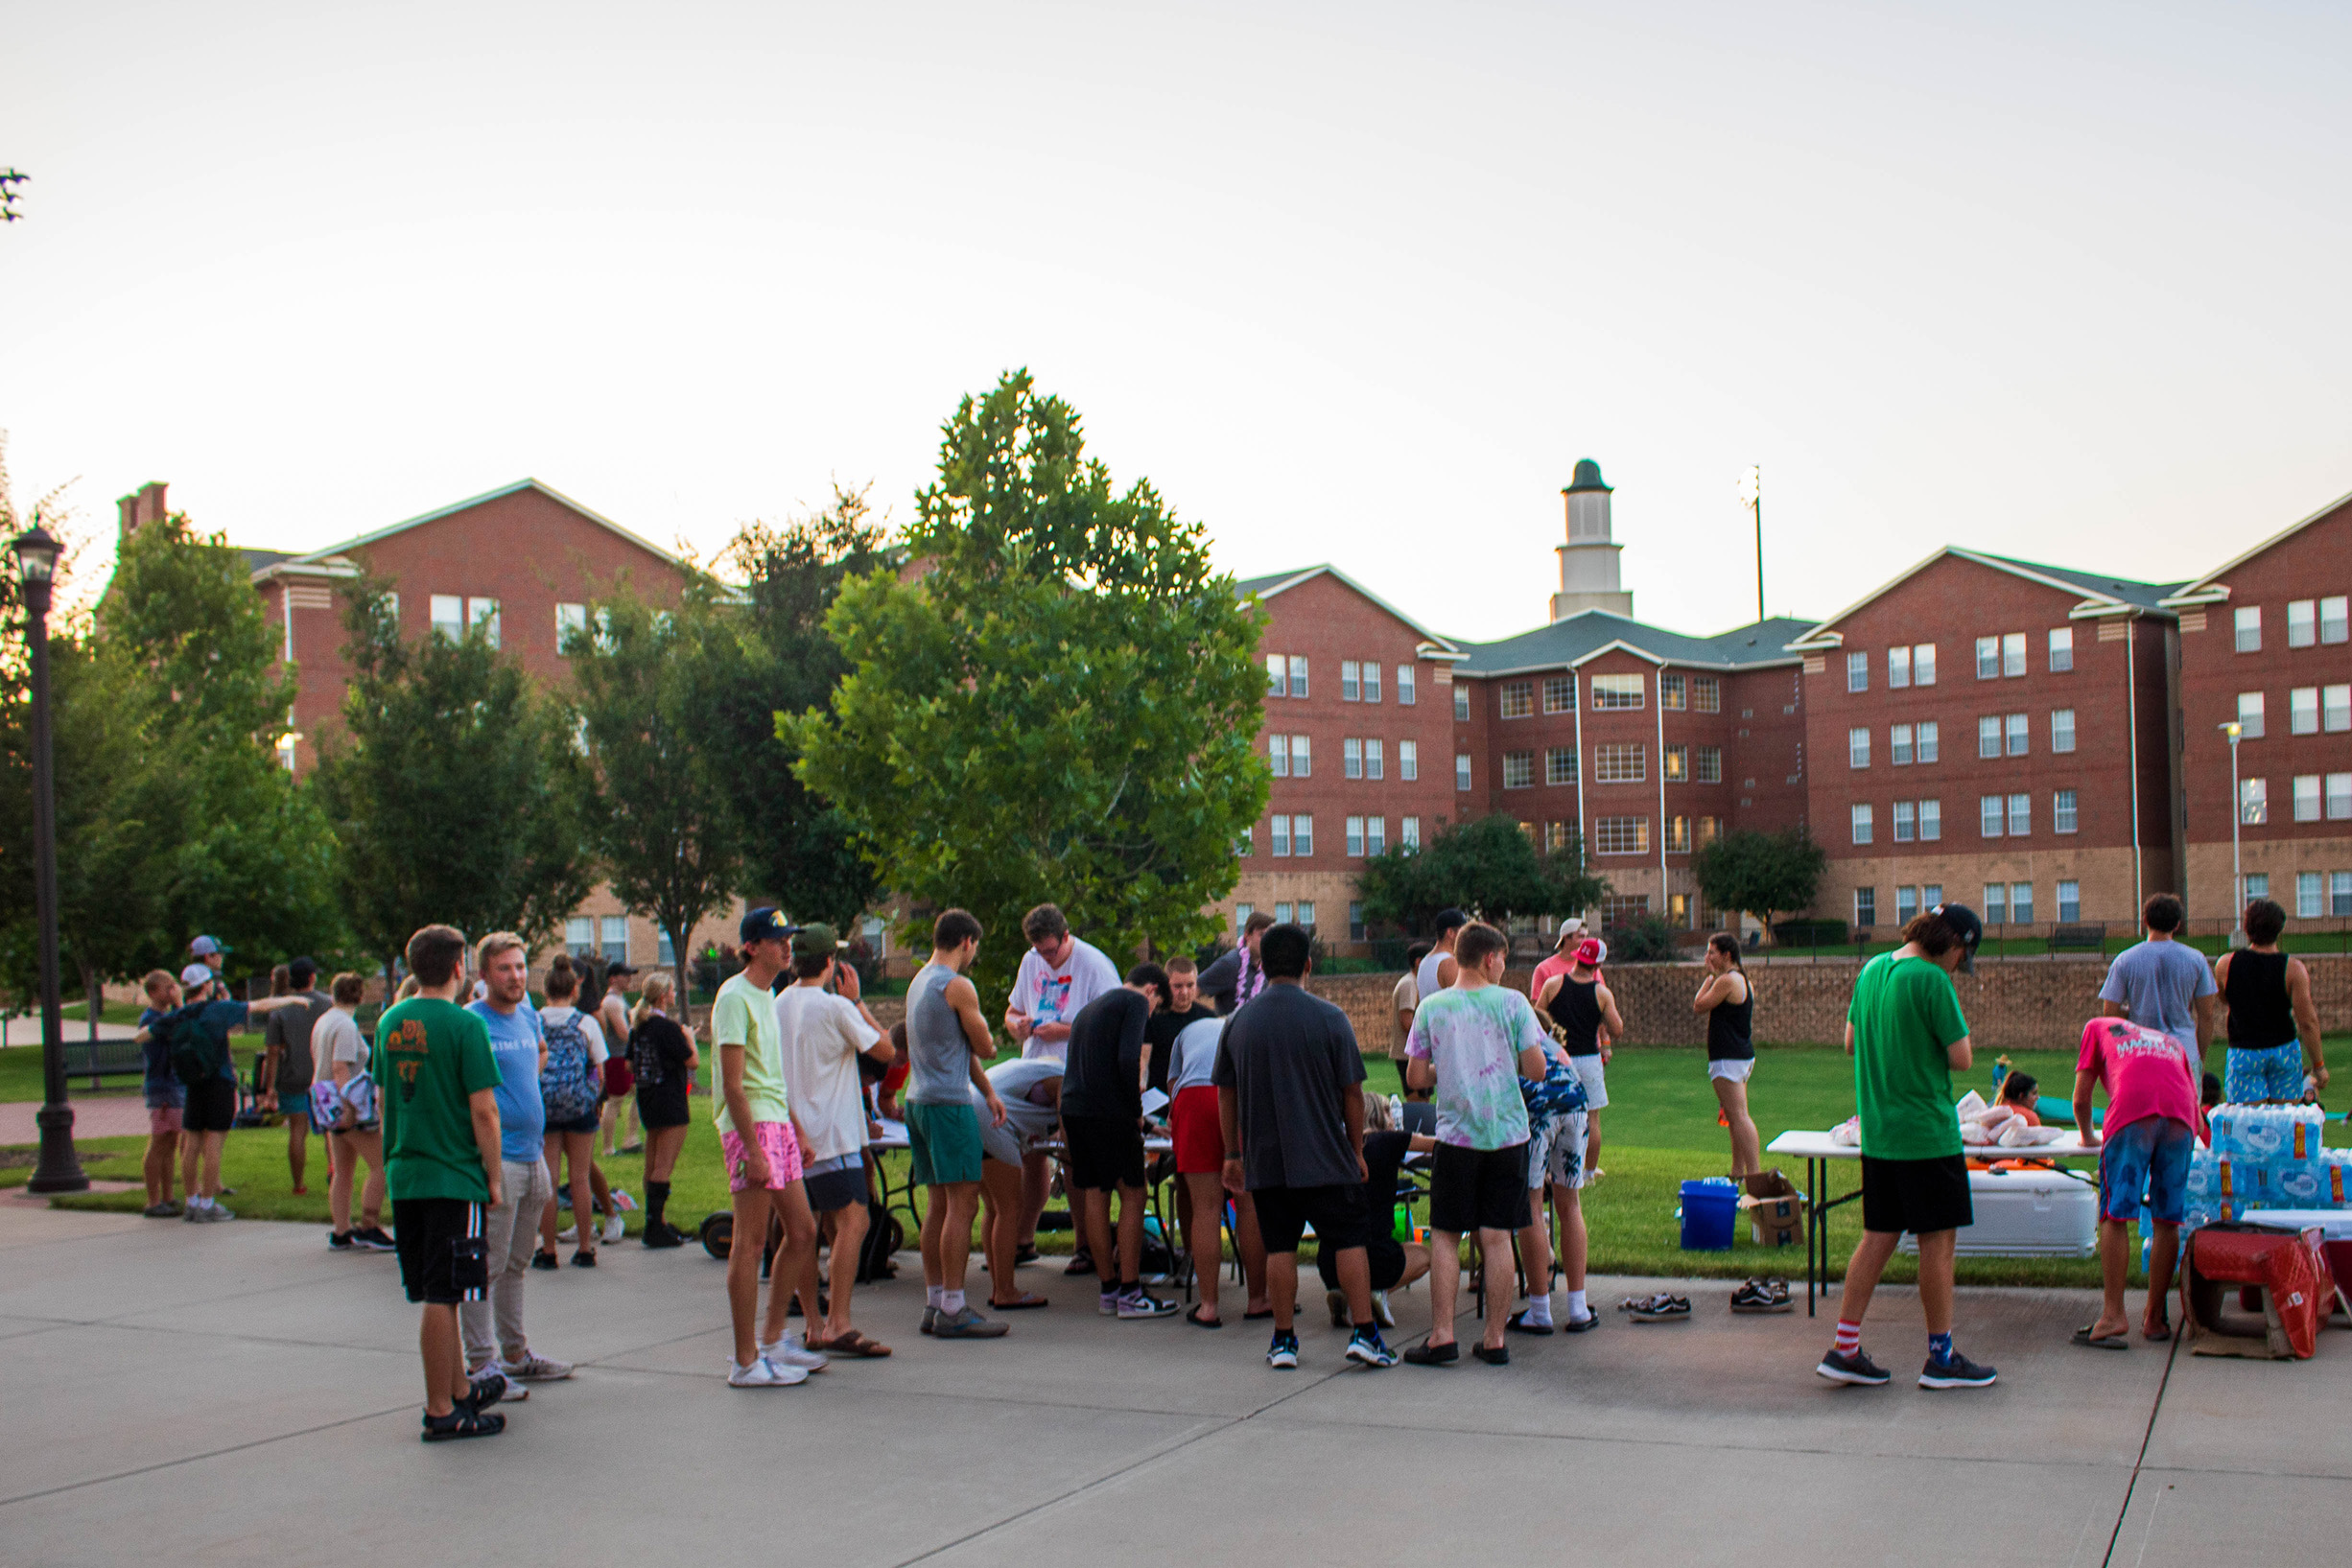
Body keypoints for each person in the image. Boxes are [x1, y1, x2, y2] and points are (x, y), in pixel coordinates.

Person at [1817, 902, 1996, 1391]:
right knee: (1938, 1245)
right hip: (1926, 1134)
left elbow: (1852, 1042)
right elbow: (1962, 1059)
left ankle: (1845, 1347)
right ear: (1954, 944)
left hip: (1879, 1133)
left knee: (1878, 1237)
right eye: (1962, 956)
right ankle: (1941, 1356)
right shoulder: (1932, 980)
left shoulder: (1873, 970)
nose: (1958, 967)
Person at [1215, 922, 1396, 1370]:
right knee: (1349, 1241)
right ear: (1309, 965)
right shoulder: (1330, 1017)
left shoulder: (1238, 1022)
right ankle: (1365, 1333)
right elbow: (1352, 1093)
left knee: (1280, 1248)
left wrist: (1233, 1154)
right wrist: (1356, 1150)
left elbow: (1226, 1093)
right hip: (1326, 1156)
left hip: (1266, 1159)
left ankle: (1283, 1341)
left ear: (1261, 964)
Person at [376, 924, 509, 1440]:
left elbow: (387, 1097)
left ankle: (459, 1389)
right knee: (443, 1292)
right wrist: (493, 1178)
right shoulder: (464, 1027)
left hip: (406, 1170)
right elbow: (485, 1111)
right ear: (460, 969)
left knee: (443, 1292)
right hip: (453, 1174)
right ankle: (440, 1409)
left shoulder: (390, 1021)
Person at [1401, 921, 1547, 1367]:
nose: (1504, 966)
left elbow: (1415, 1077)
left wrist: (1447, 1068)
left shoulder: (1433, 1008)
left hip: (1456, 1136)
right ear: (1490, 958)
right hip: (1506, 1134)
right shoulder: (1514, 1003)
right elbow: (1537, 1069)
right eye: (1503, 958)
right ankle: (1495, 1339)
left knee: (1446, 1235)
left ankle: (1442, 1336)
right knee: (1498, 1236)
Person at [716, 907, 828, 1385]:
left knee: (802, 1232)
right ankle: (745, 1360)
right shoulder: (733, 998)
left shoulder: (770, 996)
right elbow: (734, 1084)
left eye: (790, 939)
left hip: (775, 1122)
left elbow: (773, 1077)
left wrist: (795, 1128)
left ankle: (774, 1337)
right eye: (778, 939)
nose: (788, 947)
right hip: (750, 1128)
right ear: (752, 946)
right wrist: (754, 1151)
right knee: (751, 1241)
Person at [777, 922, 896, 1358]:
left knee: (809, 1232)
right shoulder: (835, 1008)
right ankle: (838, 1323)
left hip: (793, 1135)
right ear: (830, 962)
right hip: (834, 1135)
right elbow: (885, 1051)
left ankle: (812, 1323)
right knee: (854, 1222)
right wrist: (859, 1002)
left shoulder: (778, 1004)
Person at [461, 935, 574, 1392]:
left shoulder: (528, 1013)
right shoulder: (471, 1023)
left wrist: (526, 1083)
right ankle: (482, 1365)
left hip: (534, 1156)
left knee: (517, 1263)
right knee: (486, 1265)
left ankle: (515, 1353)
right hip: (499, 1160)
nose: (515, 976)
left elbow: (539, 1052)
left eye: (521, 966)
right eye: (504, 969)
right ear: (483, 975)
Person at [132, 963, 311, 1223]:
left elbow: (142, 1036)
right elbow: (259, 1006)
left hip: (193, 1084)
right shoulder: (219, 1010)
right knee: (214, 1143)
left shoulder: (180, 1015)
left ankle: (191, 1201)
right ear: (206, 986)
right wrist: (292, 999)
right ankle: (207, 1202)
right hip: (219, 1082)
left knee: (191, 1143)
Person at [909, 908, 1013, 1339]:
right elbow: (985, 1043)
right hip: (949, 1106)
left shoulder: (919, 982)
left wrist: (987, 1091)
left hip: (918, 1100)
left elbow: (955, 1046)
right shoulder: (957, 985)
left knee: (938, 1203)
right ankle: (954, 1306)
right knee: (964, 1204)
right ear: (967, 941)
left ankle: (935, 1302)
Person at [1060, 963, 1182, 1319]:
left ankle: (1109, 1288)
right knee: (1134, 1192)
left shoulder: (1090, 1008)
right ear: (1151, 991)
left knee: (1096, 1193)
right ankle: (1132, 1291)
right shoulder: (1133, 1004)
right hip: (1109, 1112)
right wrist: (1135, 1112)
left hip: (1075, 1109)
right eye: (1156, 1006)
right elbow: (1129, 1059)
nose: (1151, 1013)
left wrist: (1143, 1125)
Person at [2073, 1016, 2200, 1347]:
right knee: (2167, 1219)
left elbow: (2081, 1098)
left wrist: (2087, 1137)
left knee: (2115, 1214)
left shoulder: (2097, 1026)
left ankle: (2113, 1315)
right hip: (2182, 1116)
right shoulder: (2169, 1041)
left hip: (2133, 1111)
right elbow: (2196, 1108)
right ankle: (2155, 1318)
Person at [1003, 902, 1121, 1259]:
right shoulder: (1031, 961)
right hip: (1034, 1069)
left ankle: (1084, 1244)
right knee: (1029, 1155)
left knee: (1072, 1158)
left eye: (1051, 951)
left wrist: (1065, 1030)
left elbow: (1111, 1028)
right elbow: (1012, 1011)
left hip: (1076, 1074)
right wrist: (1017, 1025)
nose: (1046, 958)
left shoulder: (1094, 965)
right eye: (1039, 951)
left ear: (1066, 936)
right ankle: (1024, 1239)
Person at [1167, 1010, 1269, 1326]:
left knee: (1206, 1209)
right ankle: (1257, 1299)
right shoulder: (1248, 1027)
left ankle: (1208, 1306)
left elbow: (1173, 1083)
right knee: (1250, 1206)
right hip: (1238, 1097)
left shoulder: (1188, 1030)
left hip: (1193, 1098)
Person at [1511, 980, 1601, 1336]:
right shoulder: (1552, 1044)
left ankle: (1539, 1310)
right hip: (1575, 1105)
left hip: (1538, 1110)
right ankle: (1578, 1308)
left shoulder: (1512, 1036)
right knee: (1570, 1204)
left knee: (1532, 1206)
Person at [1318, 1094, 1434, 1329]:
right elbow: (1433, 1143)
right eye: (1389, 1112)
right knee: (1424, 1256)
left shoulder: (1337, 1146)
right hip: (1377, 1256)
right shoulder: (1388, 1141)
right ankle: (1374, 1292)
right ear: (1377, 1115)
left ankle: (1341, 1291)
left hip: (1329, 1258)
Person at [529, 954, 616, 1262]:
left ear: (545, 990)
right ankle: (584, 1248)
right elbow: (599, 1070)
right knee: (579, 1178)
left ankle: (549, 1249)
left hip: (543, 1106)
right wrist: (592, 1097)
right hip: (579, 1106)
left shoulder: (533, 1021)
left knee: (549, 1179)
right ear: (575, 991)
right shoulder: (586, 1023)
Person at [2213, 898, 2327, 1103]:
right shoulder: (2293, 968)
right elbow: (2308, 1022)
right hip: (2283, 1049)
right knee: (2284, 1123)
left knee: (2247, 1125)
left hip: (2244, 1050)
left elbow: (2224, 997)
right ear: (2279, 928)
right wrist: (2318, 1066)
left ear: (2247, 928)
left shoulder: (2226, 964)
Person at [976, 1055, 1064, 1312]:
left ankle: (998, 1288)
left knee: (993, 1208)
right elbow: (1067, 1131)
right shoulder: (1062, 1078)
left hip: (969, 1112)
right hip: (990, 1119)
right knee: (1009, 1208)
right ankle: (1005, 1291)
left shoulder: (1035, 1069)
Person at [315, 971, 392, 1252]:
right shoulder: (346, 1026)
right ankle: (369, 1225)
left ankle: (341, 1229)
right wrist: (351, 1107)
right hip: (347, 1105)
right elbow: (340, 1067)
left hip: (326, 1104)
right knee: (381, 1163)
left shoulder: (324, 1021)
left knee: (343, 1168)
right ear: (359, 996)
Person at [2099, 893, 2216, 1073]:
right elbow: (2206, 1014)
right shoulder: (2196, 959)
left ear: (2145, 920)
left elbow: (2109, 1012)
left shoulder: (2125, 960)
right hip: (2183, 1050)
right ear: (2177, 924)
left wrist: (2132, 1015)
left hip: (2141, 1050)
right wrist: (2199, 1055)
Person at [1536, 937, 1620, 1187]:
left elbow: (1537, 1019)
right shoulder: (1601, 992)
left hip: (1558, 1059)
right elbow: (1617, 1028)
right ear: (1598, 963)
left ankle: (1549, 1167)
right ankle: (1589, 1172)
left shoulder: (1553, 984)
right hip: (1588, 1060)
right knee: (1591, 1118)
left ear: (1578, 956)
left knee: (1552, 1113)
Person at [627, 971, 697, 1247]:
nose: (674, 995)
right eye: (672, 991)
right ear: (663, 995)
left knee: (652, 1160)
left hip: (648, 1096)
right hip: (670, 1097)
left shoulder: (639, 1026)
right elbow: (692, 1061)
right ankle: (655, 1227)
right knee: (664, 1165)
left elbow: (629, 1064)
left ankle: (656, 1219)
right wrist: (689, 1036)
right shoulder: (668, 1028)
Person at [260, 957, 334, 1196]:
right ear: (312, 977)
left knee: (297, 1131)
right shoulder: (328, 1005)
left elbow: (272, 1051)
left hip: (292, 1076)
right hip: (323, 1075)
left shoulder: (280, 1010)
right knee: (330, 1130)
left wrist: (269, 1086)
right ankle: (334, 1174)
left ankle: (298, 1184)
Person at [1693, 934, 1761, 1179]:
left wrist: (1709, 977)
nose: (1707, 957)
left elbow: (1699, 1005)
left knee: (1740, 1117)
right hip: (1741, 1055)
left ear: (1726, 955)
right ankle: (1737, 1172)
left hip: (1728, 1058)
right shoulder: (1744, 980)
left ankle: (1754, 1175)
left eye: (1712, 952)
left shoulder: (1726, 981)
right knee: (1734, 1116)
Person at [136, 970, 186, 1217]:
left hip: (173, 1083)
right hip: (162, 1085)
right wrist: (179, 1005)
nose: (174, 990)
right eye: (169, 987)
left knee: (171, 1141)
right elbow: (179, 1027)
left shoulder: (164, 1016)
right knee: (159, 1141)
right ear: (154, 992)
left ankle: (168, 1196)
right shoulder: (152, 1020)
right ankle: (153, 1200)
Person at [1144, 953, 1215, 1098]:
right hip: (1160, 1100)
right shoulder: (1152, 1017)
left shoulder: (1209, 1018)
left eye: (1190, 985)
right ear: (1165, 985)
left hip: (1197, 1098)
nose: (1184, 992)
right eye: (1177, 986)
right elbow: (1143, 1061)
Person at [1197, 910, 1277, 1015]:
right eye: (1262, 935)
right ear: (1247, 935)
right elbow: (1193, 991)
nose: (1267, 941)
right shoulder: (1230, 964)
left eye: (1270, 936)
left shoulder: (1269, 967)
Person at [599, 962, 641, 1157]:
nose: (629, 978)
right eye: (625, 975)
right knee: (615, 1100)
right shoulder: (612, 1002)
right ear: (612, 978)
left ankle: (631, 1140)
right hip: (617, 1057)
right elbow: (623, 1032)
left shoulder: (620, 1001)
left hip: (625, 1056)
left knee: (639, 1093)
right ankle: (608, 1149)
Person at [1525, 917, 1588, 1007]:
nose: (1585, 941)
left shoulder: (1590, 966)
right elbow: (1538, 1008)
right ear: (1566, 937)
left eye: (1586, 937)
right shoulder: (1544, 968)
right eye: (1580, 936)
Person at [1391, 943, 1429, 1076]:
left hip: (1414, 1054)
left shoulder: (1414, 982)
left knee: (1424, 1097)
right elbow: (1407, 1022)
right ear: (1419, 962)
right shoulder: (1409, 984)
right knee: (1416, 1097)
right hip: (1408, 1055)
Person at [1415, 909, 1468, 1003]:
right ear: (1450, 932)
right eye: (1463, 931)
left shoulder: (1424, 962)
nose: (1466, 935)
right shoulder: (1449, 962)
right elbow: (1462, 1006)